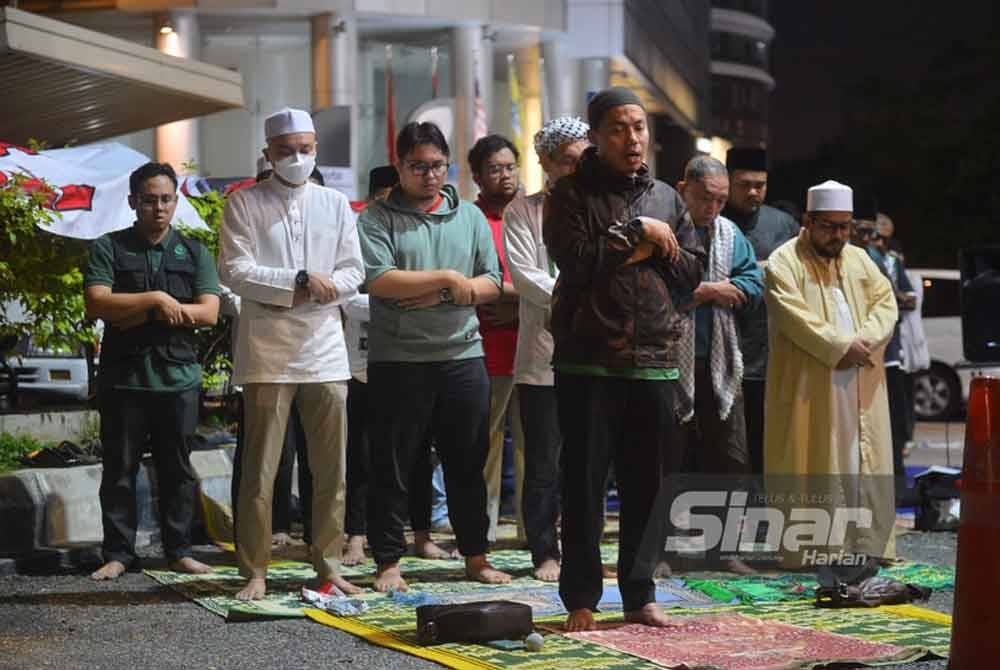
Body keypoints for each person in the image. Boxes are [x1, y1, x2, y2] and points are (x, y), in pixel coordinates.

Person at [543, 87, 705, 631]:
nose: (632, 138)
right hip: (589, 359)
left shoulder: (667, 197)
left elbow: (691, 273)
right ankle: (581, 598)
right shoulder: (569, 194)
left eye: (638, 127)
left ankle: (640, 594)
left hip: (655, 357)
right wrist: (642, 233)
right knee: (584, 486)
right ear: (595, 136)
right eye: (618, 128)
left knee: (647, 488)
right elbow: (577, 262)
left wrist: (651, 242)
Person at [358, 121, 511, 592]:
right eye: (418, 166)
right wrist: (449, 278)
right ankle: (388, 561)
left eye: (438, 166)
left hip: (462, 355)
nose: (429, 175)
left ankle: (476, 556)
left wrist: (444, 293)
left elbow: (492, 282)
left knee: (467, 462)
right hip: (398, 358)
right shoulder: (377, 217)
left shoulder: (468, 217)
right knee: (393, 466)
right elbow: (380, 279)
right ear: (399, 165)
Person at [219, 107, 364, 601]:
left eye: (305, 149)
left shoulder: (335, 203)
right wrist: (298, 281)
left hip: (325, 349)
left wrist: (329, 287)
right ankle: (255, 569)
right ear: (268, 153)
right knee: (261, 470)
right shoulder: (244, 203)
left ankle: (328, 565)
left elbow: (353, 270)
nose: (297, 158)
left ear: (316, 149)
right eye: (286, 151)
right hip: (267, 350)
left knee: (331, 468)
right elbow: (235, 270)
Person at [84, 161, 220, 580]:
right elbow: (97, 302)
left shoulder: (194, 252)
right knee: (119, 470)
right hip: (124, 379)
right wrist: (157, 300)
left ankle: (179, 551)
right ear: (132, 202)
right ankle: (119, 553)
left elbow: (209, 312)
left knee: (177, 470)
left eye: (165, 199)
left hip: (178, 379)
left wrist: (136, 312)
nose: (158, 208)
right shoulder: (109, 247)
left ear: (175, 202)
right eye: (149, 200)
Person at [764, 180, 898, 569]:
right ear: (808, 221)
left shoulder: (859, 259)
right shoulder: (783, 262)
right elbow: (794, 318)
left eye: (844, 226)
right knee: (817, 462)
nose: (838, 235)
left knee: (861, 460)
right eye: (829, 226)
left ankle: (866, 543)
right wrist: (841, 346)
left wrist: (866, 341)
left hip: (860, 381)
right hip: (811, 386)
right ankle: (817, 548)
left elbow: (885, 303)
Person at [342, 165, 453, 566]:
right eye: (387, 197)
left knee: (419, 453)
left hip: (411, 359)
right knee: (362, 456)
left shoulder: (415, 234)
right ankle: (356, 537)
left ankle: (421, 534)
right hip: (361, 366)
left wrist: (403, 292)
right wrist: (394, 296)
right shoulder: (358, 233)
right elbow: (348, 297)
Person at [503, 115, 590, 581]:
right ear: (546, 162)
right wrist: (580, 294)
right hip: (542, 356)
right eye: (568, 161)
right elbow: (525, 276)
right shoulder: (523, 211)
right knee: (542, 464)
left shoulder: (602, 205)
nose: (577, 169)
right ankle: (545, 552)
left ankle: (582, 548)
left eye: (584, 160)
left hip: (595, 355)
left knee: (588, 463)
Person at [674, 156, 763, 572]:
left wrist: (708, 291)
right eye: (705, 198)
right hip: (669, 362)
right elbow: (654, 290)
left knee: (731, 458)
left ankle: (725, 550)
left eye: (721, 200)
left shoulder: (730, 234)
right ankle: (663, 551)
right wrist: (708, 291)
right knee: (668, 458)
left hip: (722, 364)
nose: (712, 208)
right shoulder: (666, 232)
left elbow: (752, 284)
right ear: (683, 190)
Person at [721, 147, 799, 476]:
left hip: (772, 354)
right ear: (728, 181)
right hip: (724, 352)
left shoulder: (783, 224)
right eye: (744, 185)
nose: (753, 192)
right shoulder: (714, 218)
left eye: (760, 185)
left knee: (771, 445)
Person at [468, 134, 526, 544]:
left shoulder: (535, 214)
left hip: (533, 343)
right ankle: (480, 532)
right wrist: (513, 295)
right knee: (483, 444)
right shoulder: (468, 219)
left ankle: (532, 530)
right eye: (494, 169)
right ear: (477, 175)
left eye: (510, 167)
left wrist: (514, 303)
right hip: (484, 346)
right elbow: (467, 280)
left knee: (531, 445)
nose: (504, 175)